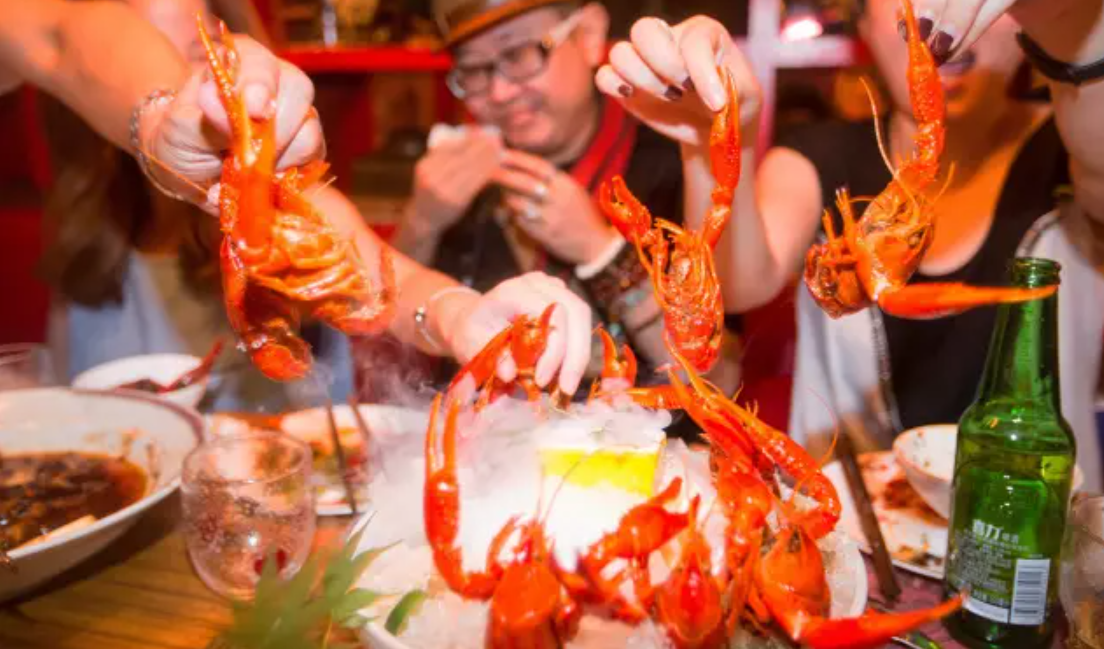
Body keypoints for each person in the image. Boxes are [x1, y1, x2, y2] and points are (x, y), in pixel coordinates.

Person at [599, 0, 1104, 491]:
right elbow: (740, 283)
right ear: (860, 20)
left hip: (1042, 520)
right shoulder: (818, 155)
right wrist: (711, 131)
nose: (941, 7)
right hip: (846, 518)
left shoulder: (1074, 147)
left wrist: (1078, 30)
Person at [2, 0, 594, 403]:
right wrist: (156, 121)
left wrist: (458, 313)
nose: (186, 86)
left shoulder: (269, 191)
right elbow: (60, 31)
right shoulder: (83, 214)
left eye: (196, 61)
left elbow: (383, 280)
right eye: (155, 52)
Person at [392, 0, 742, 398]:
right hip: (480, 432)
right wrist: (420, 225)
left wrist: (603, 255)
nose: (500, 92)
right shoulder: (453, 171)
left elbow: (723, 379)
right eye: (473, 70)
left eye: (518, 54)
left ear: (588, 35)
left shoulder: (682, 158)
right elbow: (387, 360)